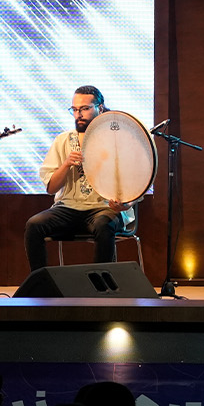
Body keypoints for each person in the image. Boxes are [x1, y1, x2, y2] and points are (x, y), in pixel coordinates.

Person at [22, 85, 135, 271]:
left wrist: (126, 204)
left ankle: (99, 284)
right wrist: (66, 165)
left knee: (103, 224)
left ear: (100, 108)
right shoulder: (63, 140)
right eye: (74, 109)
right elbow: (51, 188)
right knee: (34, 225)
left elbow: (136, 183)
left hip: (103, 208)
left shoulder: (118, 140)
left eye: (84, 109)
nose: (78, 114)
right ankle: (41, 283)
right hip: (68, 208)